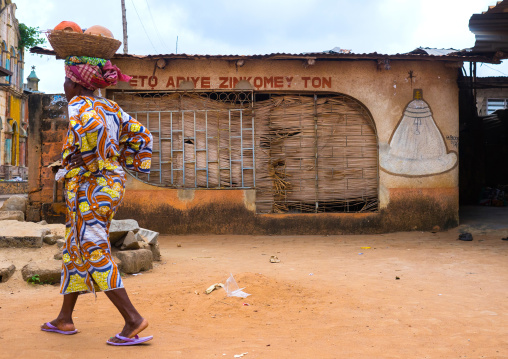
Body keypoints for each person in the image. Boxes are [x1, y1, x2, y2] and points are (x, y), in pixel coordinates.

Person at [40, 55, 154, 346]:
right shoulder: (110, 106)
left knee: (91, 245)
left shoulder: (79, 105)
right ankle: (64, 319)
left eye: (66, 80)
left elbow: (93, 129)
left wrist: (92, 161)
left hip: (91, 186)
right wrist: (124, 164)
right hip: (107, 184)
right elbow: (142, 136)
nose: (64, 86)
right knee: (75, 247)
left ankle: (132, 319)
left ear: (75, 84)